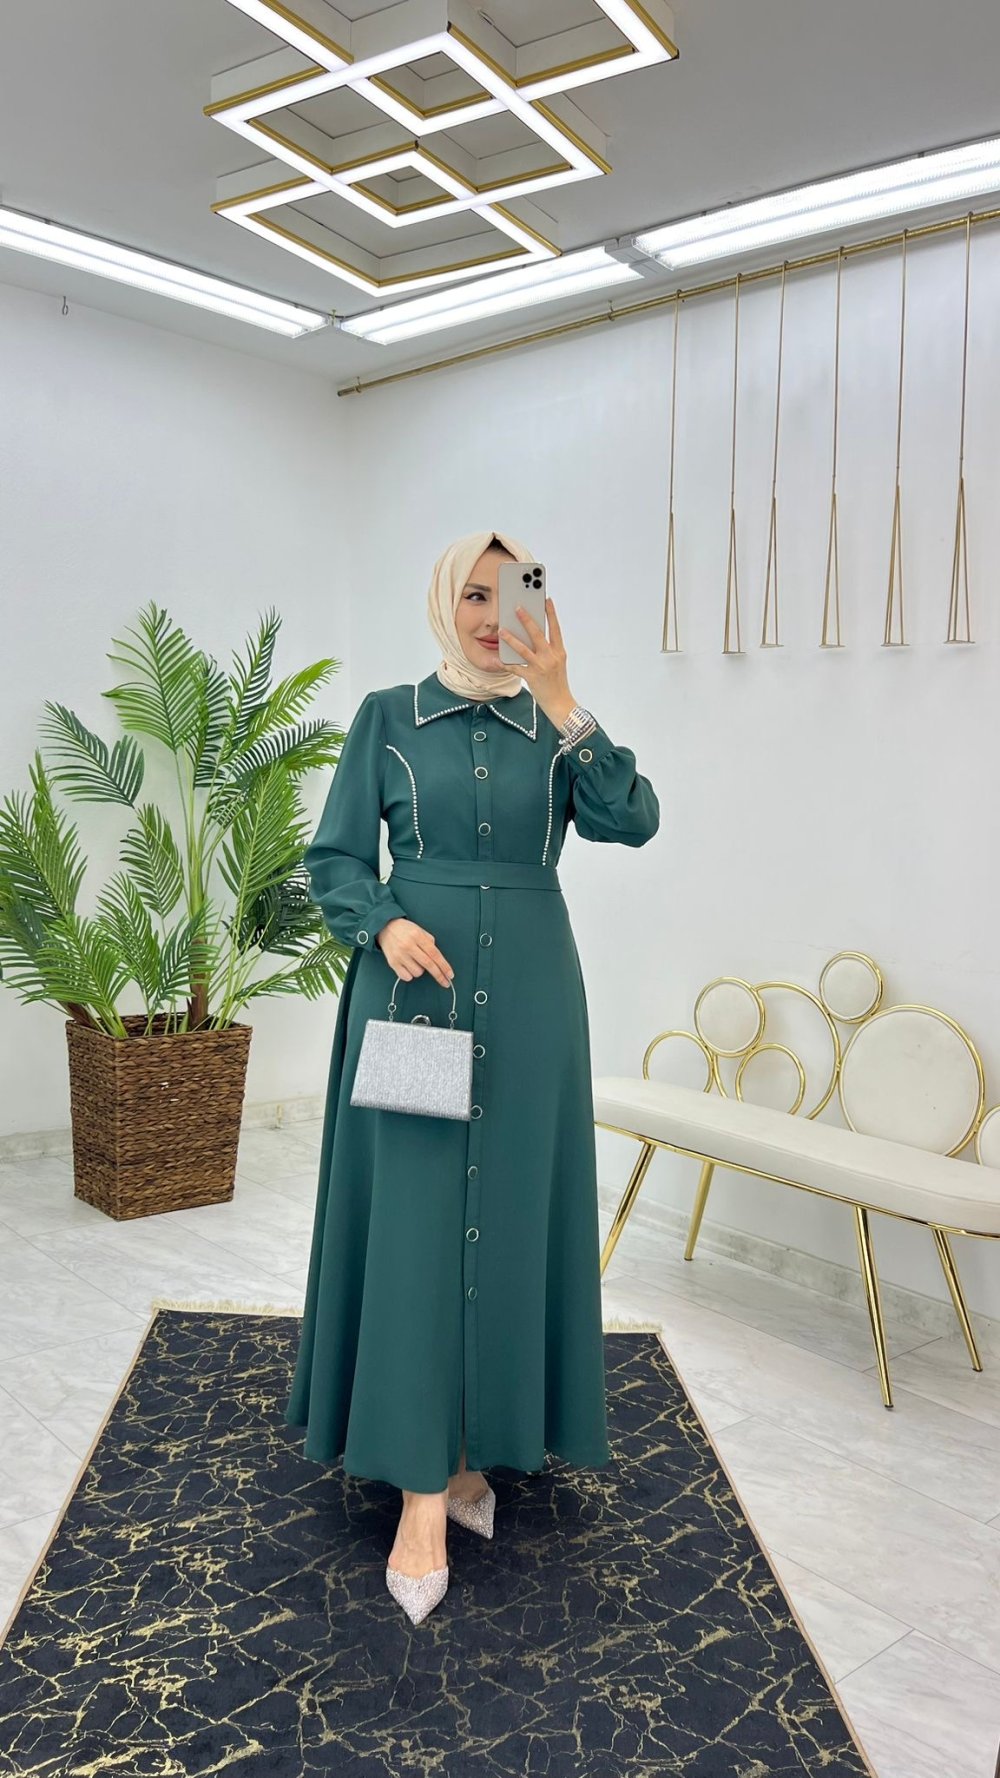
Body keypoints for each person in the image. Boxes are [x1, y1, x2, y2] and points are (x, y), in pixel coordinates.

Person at [284, 530, 660, 1625]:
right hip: (417, 995)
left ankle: (469, 1450)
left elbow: (632, 820)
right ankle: (418, 1488)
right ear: (447, 601)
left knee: (511, 1214)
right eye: (477, 597)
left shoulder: (556, 729)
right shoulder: (389, 716)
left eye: (516, 596)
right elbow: (334, 857)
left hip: (534, 1006)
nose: (496, 618)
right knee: (415, 1225)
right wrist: (381, 919)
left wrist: (565, 697)